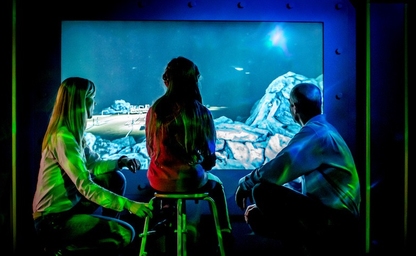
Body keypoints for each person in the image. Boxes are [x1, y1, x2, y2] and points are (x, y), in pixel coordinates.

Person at [234, 82, 361, 255]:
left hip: (336, 221)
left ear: (293, 108)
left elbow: (279, 168)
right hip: (337, 218)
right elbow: (297, 179)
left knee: (262, 191)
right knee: (259, 215)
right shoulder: (324, 130)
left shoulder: (315, 134)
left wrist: (246, 183)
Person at [32, 77, 153, 255]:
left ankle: (95, 232)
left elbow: (94, 165)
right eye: (91, 97)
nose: (94, 102)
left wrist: (121, 161)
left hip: (69, 209)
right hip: (53, 221)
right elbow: (85, 185)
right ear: (79, 102)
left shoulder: (74, 135)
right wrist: (129, 205)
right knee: (124, 234)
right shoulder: (63, 138)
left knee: (114, 178)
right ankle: (62, 249)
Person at [145, 56, 233, 251]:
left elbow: (150, 150)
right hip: (189, 179)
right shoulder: (201, 112)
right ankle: (225, 235)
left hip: (158, 180)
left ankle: (168, 219)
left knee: (173, 189)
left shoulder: (154, 111)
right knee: (215, 185)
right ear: (194, 80)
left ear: (167, 80)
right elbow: (210, 159)